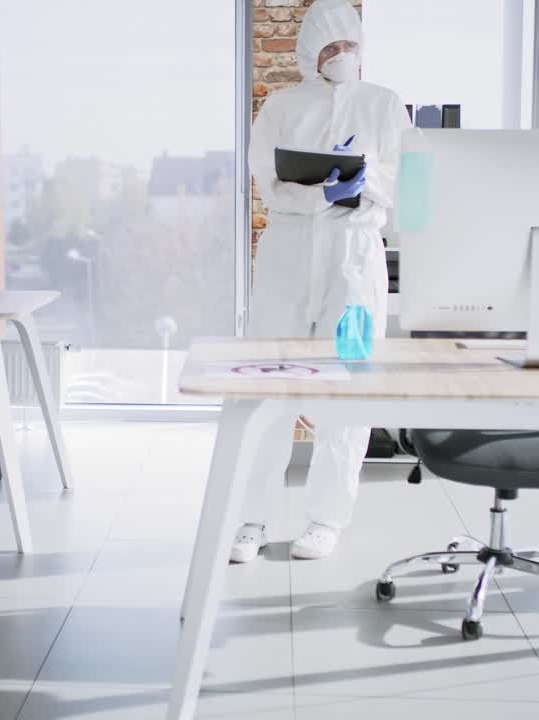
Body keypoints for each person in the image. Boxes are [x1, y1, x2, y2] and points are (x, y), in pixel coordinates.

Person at [231, 0, 410, 563]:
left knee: (349, 385)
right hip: (287, 253)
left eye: (348, 47)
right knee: (268, 388)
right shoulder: (282, 105)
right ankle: (250, 520)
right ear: (310, 54)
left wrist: (363, 177)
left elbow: (411, 181)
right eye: (329, 49)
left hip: (354, 260)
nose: (340, 57)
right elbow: (266, 175)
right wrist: (316, 190)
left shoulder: (383, 104)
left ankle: (326, 519)